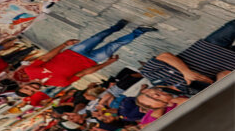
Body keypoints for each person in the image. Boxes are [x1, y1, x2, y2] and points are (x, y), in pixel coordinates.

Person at [13, 20, 158, 88]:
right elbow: (83, 73)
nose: (31, 89)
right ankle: (139, 31)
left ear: (24, 85)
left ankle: (115, 27)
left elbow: (47, 57)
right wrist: (107, 63)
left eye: (27, 89)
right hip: (91, 61)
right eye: (31, 92)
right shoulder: (60, 83)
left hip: (74, 52)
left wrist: (64, 44)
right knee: (116, 45)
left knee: (98, 37)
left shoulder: (30, 70)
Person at [138, 19, 235, 95]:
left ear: (144, 91)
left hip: (209, 47)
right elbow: (219, 78)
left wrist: (186, 72)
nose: (155, 96)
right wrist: (213, 82)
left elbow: (165, 56)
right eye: (158, 100)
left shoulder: (149, 73)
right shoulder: (190, 92)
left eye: (149, 96)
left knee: (232, 26)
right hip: (230, 61)